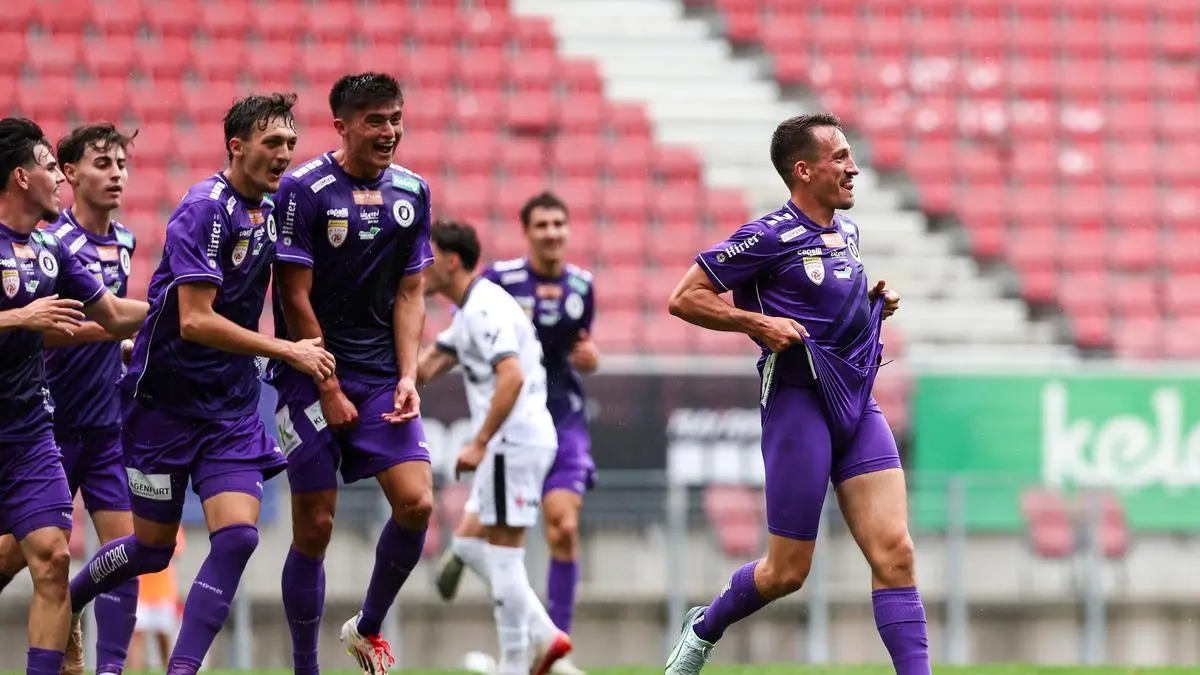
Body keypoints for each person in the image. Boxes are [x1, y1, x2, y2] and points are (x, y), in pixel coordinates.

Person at [63, 93, 336, 675]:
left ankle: (181, 669)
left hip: (230, 407)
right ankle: (70, 600)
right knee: (152, 548)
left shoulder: (275, 207)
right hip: (163, 404)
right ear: (237, 146)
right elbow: (193, 320)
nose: (285, 153)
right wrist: (286, 348)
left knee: (238, 537)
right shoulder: (204, 209)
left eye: (291, 143)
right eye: (272, 142)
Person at [662, 113, 929, 675]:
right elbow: (684, 298)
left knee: (896, 554)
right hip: (797, 404)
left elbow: (826, 302)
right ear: (804, 171)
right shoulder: (767, 236)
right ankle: (704, 628)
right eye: (840, 158)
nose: (853, 169)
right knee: (787, 572)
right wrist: (758, 324)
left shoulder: (848, 233)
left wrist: (873, 303)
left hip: (857, 402)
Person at [270, 72, 433, 675]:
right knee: (316, 525)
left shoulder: (413, 191)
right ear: (342, 125)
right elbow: (293, 293)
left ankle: (366, 628)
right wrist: (328, 385)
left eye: (395, 119)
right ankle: (305, 668)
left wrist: (409, 375)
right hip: (308, 373)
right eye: (375, 121)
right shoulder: (304, 190)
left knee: (417, 504)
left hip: (381, 375)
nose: (389, 131)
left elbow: (411, 292)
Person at [0, 117, 148, 675]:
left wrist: (186, 305)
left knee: (56, 557)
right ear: (22, 176)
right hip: (55, 421)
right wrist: (20, 318)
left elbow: (111, 314)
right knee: (15, 554)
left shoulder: (50, 249)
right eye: (49, 166)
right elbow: (51, 325)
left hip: (38, 434)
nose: (59, 180)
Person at [434, 191, 597, 675]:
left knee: (561, 527)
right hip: (514, 416)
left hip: (555, 415)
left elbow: (578, 348)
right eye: (542, 224)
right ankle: (538, 642)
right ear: (525, 232)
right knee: (492, 544)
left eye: (559, 224)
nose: (552, 233)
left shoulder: (582, 286)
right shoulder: (496, 283)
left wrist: (591, 358)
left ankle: (550, 649)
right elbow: (461, 337)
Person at [127, 528, 186, 671]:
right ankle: (134, 671)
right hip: (139, 589)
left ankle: (168, 670)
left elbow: (177, 550)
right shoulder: (133, 522)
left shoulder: (172, 523)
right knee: (136, 636)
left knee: (163, 636)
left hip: (163, 590)